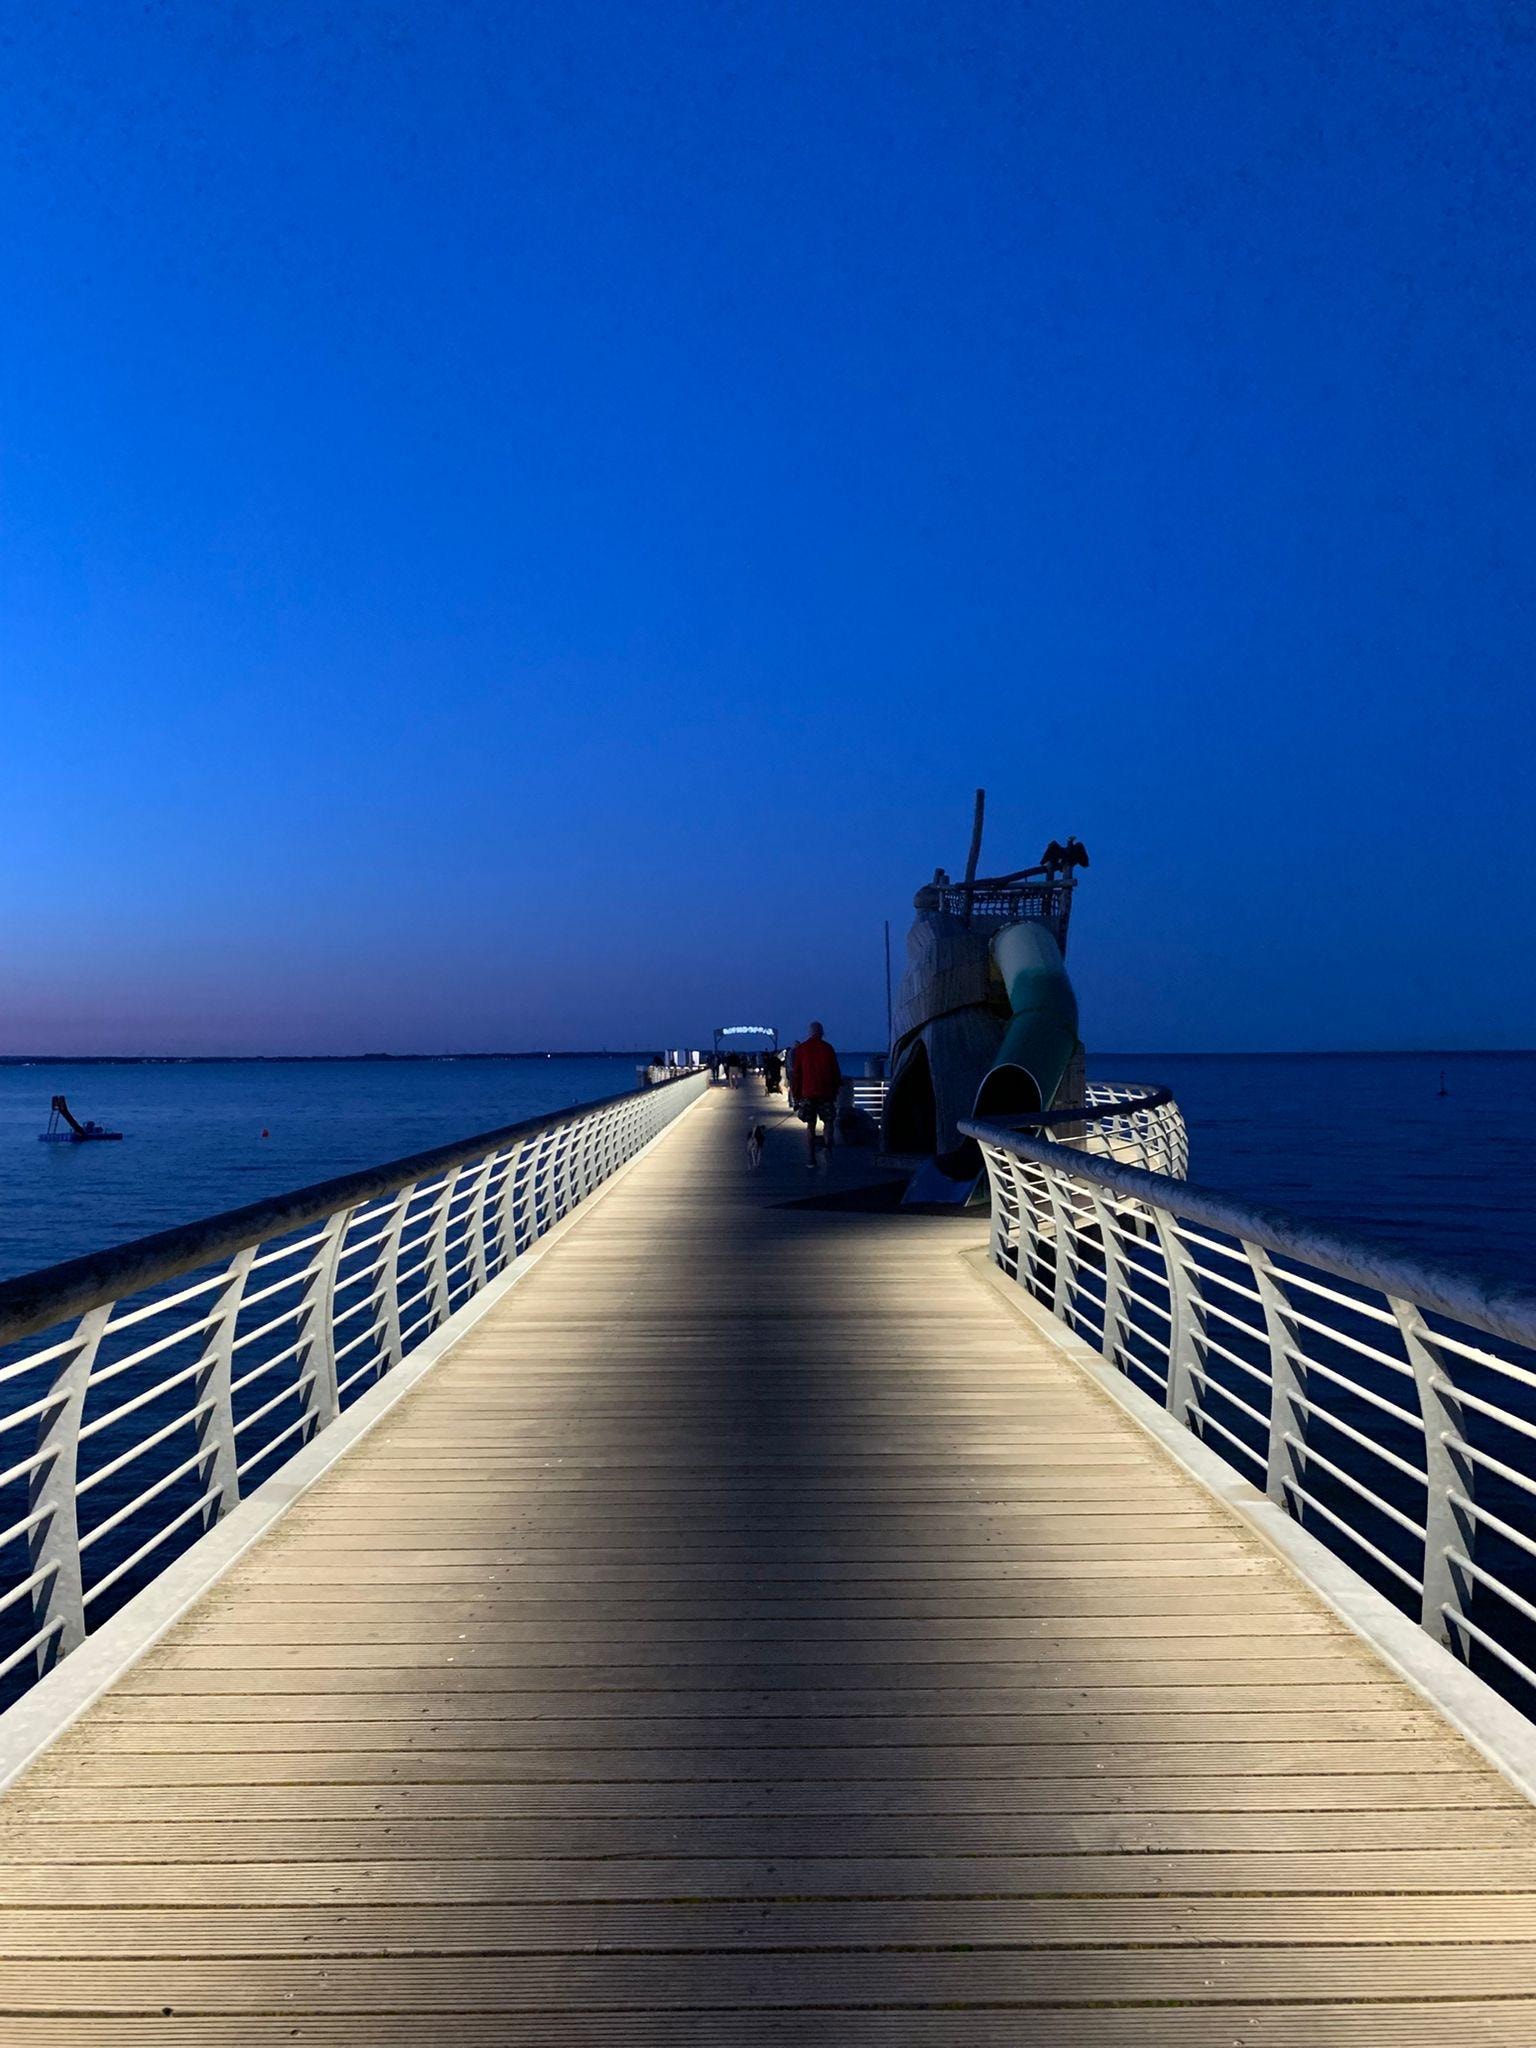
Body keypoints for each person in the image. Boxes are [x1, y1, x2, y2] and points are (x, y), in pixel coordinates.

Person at [789, 1021, 842, 1167]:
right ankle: (827, 1148)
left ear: (809, 1033)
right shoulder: (828, 1049)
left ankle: (811, 1158)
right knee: (829, 1123)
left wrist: (796, 1095)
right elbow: (835, 1072)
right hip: (826, 1093)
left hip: (808, 1093)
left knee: (810, 1126)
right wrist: (836, 1089)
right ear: (822, 1033)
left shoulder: (801, 1049)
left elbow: (797, 1074)